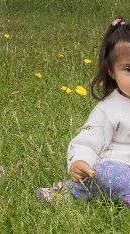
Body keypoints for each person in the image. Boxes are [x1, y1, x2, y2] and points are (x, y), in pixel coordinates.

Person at [38, 18, 130, 206]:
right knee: (112, 176)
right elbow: (87, 142)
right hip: (118, 169)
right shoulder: (109, 109)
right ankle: (68, 192)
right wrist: (80, 161)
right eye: (128, 69)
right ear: (111, 71)